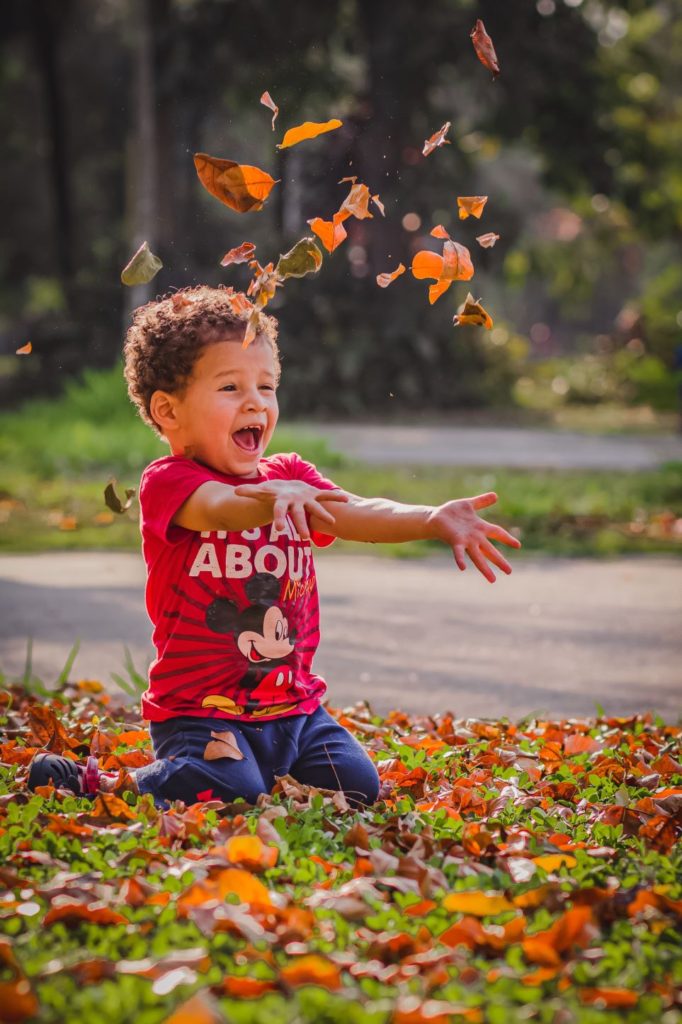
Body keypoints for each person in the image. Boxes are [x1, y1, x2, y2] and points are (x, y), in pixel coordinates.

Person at [28, 285, 521, 810]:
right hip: (200, 714)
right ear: (169, 412)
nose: (255, 401)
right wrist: (277, 500)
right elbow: (220, 507)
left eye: (267, 385)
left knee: (359, 785)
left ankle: (265, 767)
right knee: (232, 790)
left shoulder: (290, 476)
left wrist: (429, 518)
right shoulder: (169, 482)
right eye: (230, 387)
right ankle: (99, 783)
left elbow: (353, 509)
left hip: (296, 712)